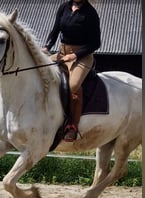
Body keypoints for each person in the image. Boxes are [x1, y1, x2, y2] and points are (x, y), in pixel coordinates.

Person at [42, 0, 101, 142]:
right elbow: (55, 30)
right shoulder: (64, 7)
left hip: (82, 57)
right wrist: (47, 47)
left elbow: (96, 43)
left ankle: (72, 126)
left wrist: (75, 55)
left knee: (73, 86)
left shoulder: (90, 13)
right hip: (62, 53)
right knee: (40, 72)